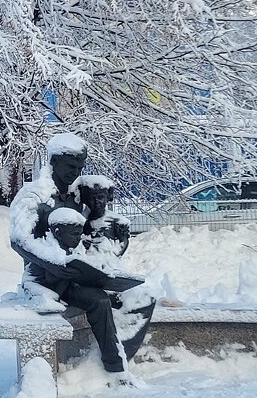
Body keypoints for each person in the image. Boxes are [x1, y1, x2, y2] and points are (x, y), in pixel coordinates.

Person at [9, 133, 152, 376]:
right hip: (45, 279)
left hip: (75, 275)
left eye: (79, 167)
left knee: (141, 297)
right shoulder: (33, 195)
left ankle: (118, 357)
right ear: (53, 162)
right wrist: (54, 264)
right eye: (70, 166)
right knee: (99, 301)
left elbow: (88, 231)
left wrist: (116, 237)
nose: (75, 172)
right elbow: (19, 240)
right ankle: (115, 370)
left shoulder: (77, 198)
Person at [74, 175, 130, 257]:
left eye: (100, 197)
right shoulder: (81, 221)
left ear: (108, 197)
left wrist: (111, 256)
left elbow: (123, 243)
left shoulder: (116, 221)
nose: (96, 201)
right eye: (91, 198)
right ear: (85, 199)